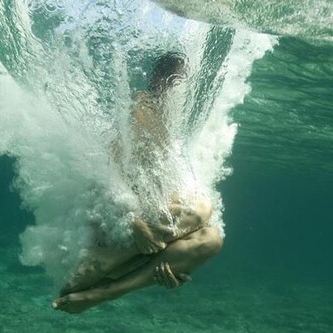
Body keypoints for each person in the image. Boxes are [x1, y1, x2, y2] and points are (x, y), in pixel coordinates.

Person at [52, 52, 223, 314]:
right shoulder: (139, 111)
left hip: (148, 242)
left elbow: (179, 201)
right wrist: (134, 224)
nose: (182, 92)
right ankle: (104, 267)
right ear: (160, 81)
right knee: (200, 209)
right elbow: (99, 177)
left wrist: (178, 266)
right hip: (115, 226)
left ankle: (108, 292)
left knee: (212, 238)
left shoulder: (180, 128)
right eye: (178, 82)